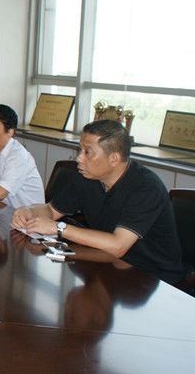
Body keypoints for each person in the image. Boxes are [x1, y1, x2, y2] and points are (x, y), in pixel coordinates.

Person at [11, 119, 185, 283]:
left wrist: (59, 228)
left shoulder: (145, 187)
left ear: (114, 159)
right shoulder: (87, 177)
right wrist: (29, 211)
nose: (79, 158)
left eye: (87, 152)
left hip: (152, 276)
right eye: (80, 150)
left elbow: (118, 245)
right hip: (107, 260)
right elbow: (51, 210)